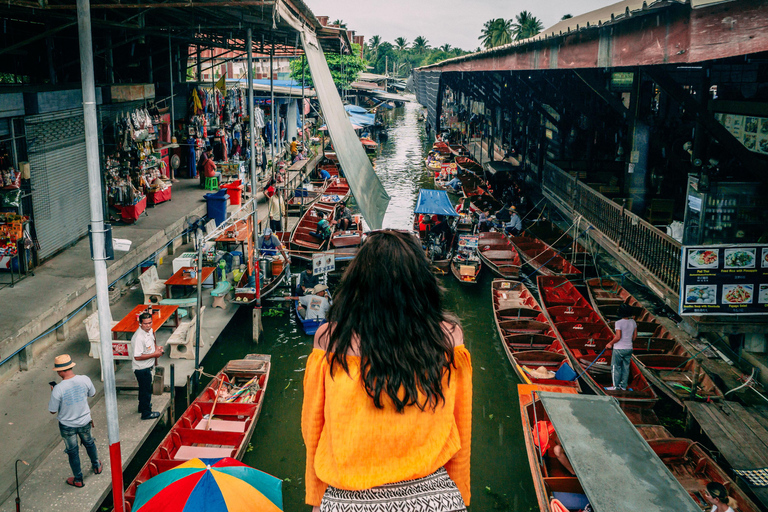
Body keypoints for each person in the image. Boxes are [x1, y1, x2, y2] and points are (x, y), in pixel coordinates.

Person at [302, 230, 471, 511]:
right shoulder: (449, 338)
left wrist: (318, 497)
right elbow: (461, 423)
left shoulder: (329, 339)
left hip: (349, 497)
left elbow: (313, 427)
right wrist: (460, 492)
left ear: (358, 283)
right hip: (435, 499)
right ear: (422, 284)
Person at [49, 355, 102, 487]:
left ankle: (78, 479)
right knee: (89, 443)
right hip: (84, 420)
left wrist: (53, 392)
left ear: (61, 371)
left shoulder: (58, 389)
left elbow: (52, 410)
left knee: (72, 452)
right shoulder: (84, 379)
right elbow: (92, 393)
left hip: (67, 425)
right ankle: (96, 466)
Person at [132, 312, 163, 420]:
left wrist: (157, 348)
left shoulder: (149, 331)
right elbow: (137, 356)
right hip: (141, 369)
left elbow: (152, 342)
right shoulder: (139, 338)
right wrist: (155, 354)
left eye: (150, 323)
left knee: (143, 389)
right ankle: (146, 413)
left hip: (148, 366)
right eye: (145, 324)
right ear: (140, 324)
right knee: (146, 391)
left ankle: (142, 407)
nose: (148, 325)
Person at [605, 303, 636, 391]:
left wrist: (610, 343)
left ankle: (615, 387)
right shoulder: (633, 322)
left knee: (616, 367)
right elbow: (634, 337)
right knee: (626, 367)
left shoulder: (618, 323)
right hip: (629, 348)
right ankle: (623, 386)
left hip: (619, 349)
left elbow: (618, 337)